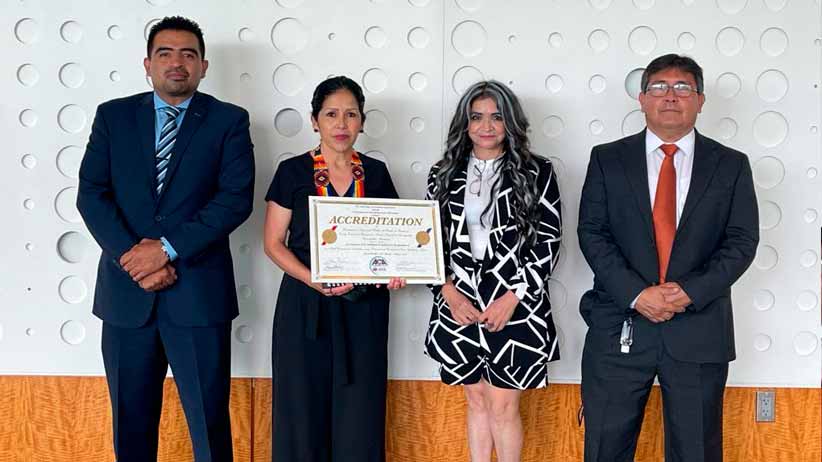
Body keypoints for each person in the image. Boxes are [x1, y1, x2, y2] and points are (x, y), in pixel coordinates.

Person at [77, 16, 254, 462]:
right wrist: (131, 257)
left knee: (209, 425)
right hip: (125, 295)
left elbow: (234, 200)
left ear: (204, 65)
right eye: (166, 53)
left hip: (198, 296)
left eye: (188, 54)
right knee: (130, 424)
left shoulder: (228, 121)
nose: (177, 63)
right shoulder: (113, 117)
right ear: (147, 63)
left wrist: (166, 249)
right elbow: (92, 194)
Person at [577, 54, 759, 462]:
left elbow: (742, 242)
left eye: (683, 88)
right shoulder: (607, 159)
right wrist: (637, 294)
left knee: (696, 450)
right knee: (605, 448)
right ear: (642, 98)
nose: (671, 96)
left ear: (701, 100)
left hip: (698, 328)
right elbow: (592, 233)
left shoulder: (730, 165)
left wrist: (689, 292)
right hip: (620, 328)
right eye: (659, 87)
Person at [263, 76, 405, 462]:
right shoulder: (292, 171)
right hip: (305, 303)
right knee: (300, 408)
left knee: (360, 412)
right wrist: (314, 279)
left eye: (350, 114)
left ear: (362, 121)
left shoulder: (376, 173)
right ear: (314, 121)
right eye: (331, 114)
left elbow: (395, 243)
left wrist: (394, 270)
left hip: (364, 307)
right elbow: (273, 243)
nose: (341, 124)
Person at [423, 80, 562, 462]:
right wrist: (447, 292)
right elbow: (427, 242)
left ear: (510, 122)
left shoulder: (538, 172)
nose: (486, 126)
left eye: (497, 117)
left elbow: (548, 241)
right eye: (477, 117)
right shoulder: (443, 173)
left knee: (503, 406)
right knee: (476, 401)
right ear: (464, 123)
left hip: (516, 302)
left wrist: (513, 296)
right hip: (459, 300)